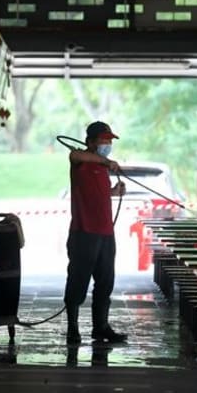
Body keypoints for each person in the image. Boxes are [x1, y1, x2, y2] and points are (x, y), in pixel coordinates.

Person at [63, 121, 128, 345]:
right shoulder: (80, 159)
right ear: (90, 142)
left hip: (106, 234)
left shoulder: (102, 167)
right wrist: (106, 161)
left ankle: (101, 327)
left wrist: (113, 191)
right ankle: (72, 327)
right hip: (84, 233)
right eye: (103, 140)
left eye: (110, 141)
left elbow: (96, 194)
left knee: (105, 282)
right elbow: (76, 156)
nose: (107, 144)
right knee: (78, 281)